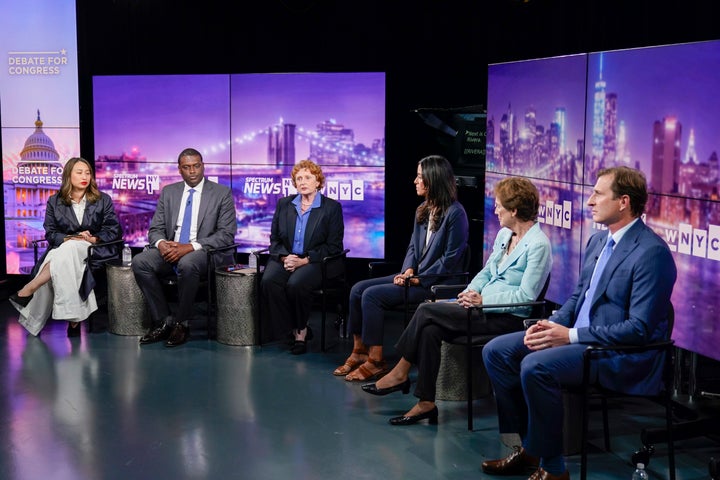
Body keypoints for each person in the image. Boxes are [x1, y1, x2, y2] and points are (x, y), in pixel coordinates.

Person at [480, 166, 677, 480]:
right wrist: (550, 324)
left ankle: (554, 468)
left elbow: (638, 330)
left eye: (598, 194)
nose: (589, 201)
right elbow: (578, 297)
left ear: (624, 201)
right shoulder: (598, 242)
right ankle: (528, 447)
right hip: (579, 338)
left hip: (617, 354)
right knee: (497, 352)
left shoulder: (652, 253)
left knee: (536, 366)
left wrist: (569, 336)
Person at [362, 177, 552, 426]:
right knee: (430, 329)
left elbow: (526, 298)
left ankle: (400, 370)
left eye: (499, 206)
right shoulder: (506, 234)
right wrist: (470, 292)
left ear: (514, 210)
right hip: (481, 307)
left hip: (506, 317)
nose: (495, 210)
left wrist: (483, 300)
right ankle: (426, 403)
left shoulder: (538, 245)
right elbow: (486, 272)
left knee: (425, 309)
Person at [334, 155, 469, 381]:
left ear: (433, 179)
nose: (415, 181)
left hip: (437, 284)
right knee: (357, 288)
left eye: (419, 177)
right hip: (414, 277)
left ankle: (376, 360)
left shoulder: (456, 213)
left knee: (371, 296)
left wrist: (418, 279)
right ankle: (359, 352)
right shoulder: (423, 208)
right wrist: (407, 270)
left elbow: (451, 259)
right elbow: (412, 248)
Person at [132, 147, 236, 347]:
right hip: (172, 249)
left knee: (187, 263)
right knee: (140, 262)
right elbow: (156, 229)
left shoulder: (221, 193)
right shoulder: (169, 192)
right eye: (187, 167)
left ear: (203, 166)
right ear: (179, 170)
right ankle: (163, 321)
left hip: (205, 252)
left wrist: (189, 246)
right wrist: (162, 245)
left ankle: (182, 322)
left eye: (197, 166)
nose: (193, 171)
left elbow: (226, 234)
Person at [9, 157, 123, 337]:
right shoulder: (55, 201)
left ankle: (29, 293)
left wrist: (93, 238)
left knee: (64, 253)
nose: (84, 176)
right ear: (68, 175)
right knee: (67, 253)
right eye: (79, 172)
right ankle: (74, 320)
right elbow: (51, 233)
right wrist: (71, 238)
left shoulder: (102, 200)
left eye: (87, 173)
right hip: (66, 248)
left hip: (95, 249)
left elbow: (113, 230)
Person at [261, 159, 344, 355]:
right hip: (287, 257)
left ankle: (301, 332)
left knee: (296, 284)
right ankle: (289, 326)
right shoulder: (284, 204)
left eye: (308, 177)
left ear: (318, 181)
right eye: (299, 178)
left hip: (316, 260)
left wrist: (304, 260)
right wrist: (284, 258)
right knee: (268, 281)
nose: (303, 182)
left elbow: (333, 246)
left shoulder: (331, 208)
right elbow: (274, 239)